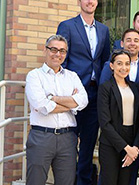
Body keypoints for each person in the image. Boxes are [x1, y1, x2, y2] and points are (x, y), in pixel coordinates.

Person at [56, 0, 110, 185]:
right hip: (73, 93)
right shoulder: (67, 26)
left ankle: (83, 182)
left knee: (88, 144)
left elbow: (105, 61)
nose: (90, 1)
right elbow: (62, 58)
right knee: (69, 142)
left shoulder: (103, 30)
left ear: (97, 2)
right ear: (79, 2)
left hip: (94, 94)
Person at [25, 35, 88, 185]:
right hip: (41, 136)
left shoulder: (72, 76)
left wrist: (53, 98)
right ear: (45, 50)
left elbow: (83, 101)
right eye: (53, 49)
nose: (58, 54)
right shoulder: (34, 76)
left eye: (62, 51)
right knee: (35, 182)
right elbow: (41, 105)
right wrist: (71, 104)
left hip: (68, 138)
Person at [97, 50, 139, 185]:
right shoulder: (105, 88)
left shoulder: (134, 88)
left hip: (131, 140)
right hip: (110, 142)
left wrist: (134, 147)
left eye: (127, 64)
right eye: (119, 64)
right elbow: (104, 123)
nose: (124, 68)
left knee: (126, 181)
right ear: (111, 66)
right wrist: (126, 148)